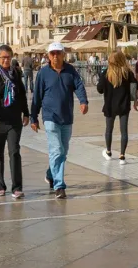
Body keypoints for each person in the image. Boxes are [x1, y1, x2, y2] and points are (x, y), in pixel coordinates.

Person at [30, 42, 88, 199]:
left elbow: (79, 86)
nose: (55, 56)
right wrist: (33, 117)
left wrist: (83, 101)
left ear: (63, 54)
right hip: (50, 117)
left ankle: (50, 174)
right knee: (57, 150)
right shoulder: (43, 73)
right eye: (52, 53)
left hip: (67, 117)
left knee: (63, 151)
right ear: (48, 56)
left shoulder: (70, 71)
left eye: (58, 53)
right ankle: (59, 186)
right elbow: (36, 96)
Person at [0, 44, 30, 199]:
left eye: (8, 57)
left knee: (14, 152)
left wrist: (26, 113)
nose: (6, 60)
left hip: (13, 121)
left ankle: (17, 187)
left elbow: (22, 94)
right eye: (3, 57)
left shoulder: (16, 73)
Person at [97, 51, 138, 163]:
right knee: (124, 131)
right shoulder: (128, 73)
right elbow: (135, 86)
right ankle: (122, 155)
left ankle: (109, 152)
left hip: (110, 105)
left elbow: (100, 89)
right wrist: (135, 100)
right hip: (124, 105)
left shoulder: (105, 73)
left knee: (109, 130)